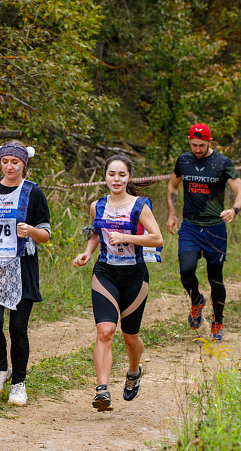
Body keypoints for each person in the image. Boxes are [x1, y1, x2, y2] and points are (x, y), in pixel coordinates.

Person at [73, 155, 163, 412]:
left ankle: (134, 371)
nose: (116, 179)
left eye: (121, 175)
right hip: (105, 273)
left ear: (129, 177)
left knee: (130, 336)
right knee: (105, 331)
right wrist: (87, 253)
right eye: (111, 174)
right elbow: (94, 233)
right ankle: (102, 390)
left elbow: (157, 239)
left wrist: (127, 236)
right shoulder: (97, 205)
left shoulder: (140, 205)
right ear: (105, 177)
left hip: (135, 276)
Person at [0, 140, 50, 407]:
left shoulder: (33, 192)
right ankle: (1, 368)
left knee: (17, 328)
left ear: (24, 164)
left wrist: (31, 232)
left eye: (15, 162)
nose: (10, 166)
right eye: (5, 161)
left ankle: (19, 383)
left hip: (22, 268)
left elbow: (45, 234)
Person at [165, 123, 241, 342]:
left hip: (214, 228)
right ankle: (196, 300)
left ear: (210, 142)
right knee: (186, 270)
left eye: (201, 145)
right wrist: (172, 214)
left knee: (216, 278)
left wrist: (234, 209)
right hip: (190, 226)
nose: (197, 149)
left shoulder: (222, 162)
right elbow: (173, 186)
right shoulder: (184, 160)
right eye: (194, 145)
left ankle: (217, 320)